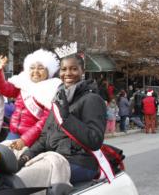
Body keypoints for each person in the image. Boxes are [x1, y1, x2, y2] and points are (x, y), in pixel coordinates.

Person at [17, 46, 107, 188]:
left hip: (80, 162)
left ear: (82, 71)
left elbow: (94, 140)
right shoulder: (59, 98)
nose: (68, 73)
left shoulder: (92, 99)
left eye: (73, 69)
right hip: (55, 157)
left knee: (25, 179)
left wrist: (66, 117)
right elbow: (45, 137)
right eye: (64, 69)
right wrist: (27, 155)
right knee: (13, 170)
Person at [0, 49, 61, 150]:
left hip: (35, 139)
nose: (35, 71)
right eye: (32, 68)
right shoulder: (23, 83)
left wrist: (25, 140)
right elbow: (4, 89)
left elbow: (44, 122)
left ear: (48, 71)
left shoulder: (51, 90)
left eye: (40, 68)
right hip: (13, 133)